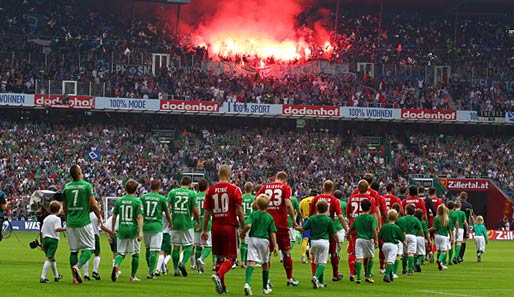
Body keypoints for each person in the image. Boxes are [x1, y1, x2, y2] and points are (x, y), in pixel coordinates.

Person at [203, 165, 245, 294]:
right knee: (231, 258)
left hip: (216, 227)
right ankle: (219, 274)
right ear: (229, 174)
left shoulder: (210, 190)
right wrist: (243, 226)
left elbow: (207, 213)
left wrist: (205, 230)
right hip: (229, 226)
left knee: (220, 258)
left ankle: (223, 287)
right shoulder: (234, 189)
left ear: (218, 174)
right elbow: (238, 210)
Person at [256, 171, 299, 287]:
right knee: (286, 252)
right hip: (281, 224)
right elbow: (288, 204)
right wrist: (293, 220)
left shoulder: (265, 187)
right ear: (285, 180)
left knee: (267, 253)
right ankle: (289, 279)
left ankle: (267, 280)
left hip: (267, 225)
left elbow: (256, 203)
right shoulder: (285, 188)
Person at [62, 164, 104, 284]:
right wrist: (99, 217)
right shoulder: (86, 186)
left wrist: (67, 219)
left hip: (71, 222)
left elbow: (64, 207)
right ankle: (78, 266)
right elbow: (94, 204)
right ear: (80, 173)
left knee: (74, 251)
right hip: (84, 222)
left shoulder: (66, 187)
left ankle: (74, 278)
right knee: (90, 248)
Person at [309, 180, 349, 282]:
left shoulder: (316, 199)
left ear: (323, 188)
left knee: (315, 254)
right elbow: (340, 216)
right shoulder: (335, 200)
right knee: (334, 253)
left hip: (317, 231)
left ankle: (315, 275)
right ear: (332, 189)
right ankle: (335, 275)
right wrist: (346, 229)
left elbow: (311, 215)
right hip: (330, 229)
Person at [240, 194, 278, 295]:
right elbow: (272, 232)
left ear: (256, 204)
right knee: (265, 264)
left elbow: (248, 225)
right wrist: (275, 245)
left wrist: (243, 233)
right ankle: (265, 288)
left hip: (253, 239)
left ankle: (247, 283)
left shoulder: (253, 214)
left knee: (251, 261)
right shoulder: (269, 217)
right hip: (264, 240)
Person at [297, 200, 338, 289]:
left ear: (316, 208)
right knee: (322, 263)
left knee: (317, 262)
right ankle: (316, 277)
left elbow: (303, 229)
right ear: (327, 209)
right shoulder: (328, 219)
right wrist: (338, 242)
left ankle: (321, 282)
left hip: (314, 242)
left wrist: (296, 227)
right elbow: (334, 233)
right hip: (324, 241)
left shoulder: (312, 218)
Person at [111, 179, 144, 282]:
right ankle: (132, 276)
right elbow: (139, 217)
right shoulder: (137, 201)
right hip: (132, 230)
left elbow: (114, 216)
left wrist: (112, 229)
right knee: (135, 254)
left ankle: (116, 265)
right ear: (136, 189)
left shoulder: (119, 200)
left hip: (122, 230)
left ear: (125, 189)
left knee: (120, 253)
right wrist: (140, 232)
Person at [168, 176, 200, 277]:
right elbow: (195, 209)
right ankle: (182, 263)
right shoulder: (192, 193)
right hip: (187, 223)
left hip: (175, 223)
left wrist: (169, 219)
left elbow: (167, 205)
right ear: (190, 184)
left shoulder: (172, 192)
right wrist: (198, 221)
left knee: (176, 247)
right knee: (190, 245)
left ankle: (176, 270)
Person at [140, 179, 172, 279]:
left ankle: (150, 269)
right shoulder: (162, 198)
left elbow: (140, 212)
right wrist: (170, 223)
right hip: (156, 226)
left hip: (145, 226)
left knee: (148, 249)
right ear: (159, 187)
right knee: (154, 251)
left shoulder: (143, 197)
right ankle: (150, 273)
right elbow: (167, 213)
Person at [346, 180, 375, 281]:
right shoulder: (370, 198)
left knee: (353, 252)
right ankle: (367, 273)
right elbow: (374, 213)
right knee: (368, 254)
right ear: (368, 188)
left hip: (355, 225)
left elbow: (348, 212)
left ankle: (352, 273)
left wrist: (351, 222)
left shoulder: (351, 198)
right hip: (367, 227)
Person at [349, 198, 378, 284]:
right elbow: (374, 229)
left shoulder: (358, 218)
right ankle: (367, 275)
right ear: (370, 207)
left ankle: (358, 277)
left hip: (359, 239)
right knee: (371, 257)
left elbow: (352, 228)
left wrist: (348, 234)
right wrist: (376, 239)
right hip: (368, 239)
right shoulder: (371, 218)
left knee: (359, 258)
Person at [39, 201, 66, 283]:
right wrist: (65, 229)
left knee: (52, 258)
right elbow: (57, 229)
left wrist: (42, 242)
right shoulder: (57, 219)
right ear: (58, 210)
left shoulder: (46, 218)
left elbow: (41, 231)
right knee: (49, 258)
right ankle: (43, 277)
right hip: (53, 240)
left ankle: (56, 276)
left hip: (45, 238)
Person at [378, 209, 404, 283]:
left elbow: (380, 235)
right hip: (393, 245)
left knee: (387, 260)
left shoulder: (384, 226)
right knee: (391, 261)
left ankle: (390, 274)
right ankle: (386, 276)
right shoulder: (396, 227)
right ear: (396, 217)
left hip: (385, 245)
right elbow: (401, 237)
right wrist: (404, 242)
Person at [397, 204, 423, 276]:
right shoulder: (415, 219)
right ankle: (410, 270)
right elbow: (421, 229)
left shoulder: (402, 219)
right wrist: (421, 235)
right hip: (412, 236)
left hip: (404, 236)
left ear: (406, 211)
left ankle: (404, 270)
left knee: (404, 254)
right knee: (411, 253)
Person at [194, 178, 213, 274]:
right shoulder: (209, 196)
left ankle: (198, 269)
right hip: (207, 224)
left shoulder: (195, 196)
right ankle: (201, 258)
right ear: (207, 187)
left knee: (198, 246)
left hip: (196, 223)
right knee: (208, 246)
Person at [430, 204, 452, 271]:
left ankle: (440, 265)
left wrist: (428, 230)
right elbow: (449, 230)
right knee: (444, 251)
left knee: (438, 250)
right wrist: (451, 237)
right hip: (444, 236)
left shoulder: (436, 218)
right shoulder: (447, 219)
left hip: (437, 235)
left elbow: (434, 228)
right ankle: (440, 261)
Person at [83, 211, 101, 281]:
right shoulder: (96, 214)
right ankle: (95, 271)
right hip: (95, 234)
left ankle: (86, 274)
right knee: (97, 254)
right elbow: (100, 224)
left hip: (85, 236)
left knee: (86, 254)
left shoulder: (84, 213)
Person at [241, 182, 255, 268]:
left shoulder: (241, 198)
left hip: (242, 222)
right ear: (252, 189)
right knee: (249, 243)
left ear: (244, 188)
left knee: (243, 242)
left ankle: (242, 261)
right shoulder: (254, 198)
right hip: (251, 222)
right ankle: (246, 261)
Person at [299, 191, 316, 264]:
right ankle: (315, 256)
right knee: (315, 238)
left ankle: (303, 256)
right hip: (315, 220)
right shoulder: (317, 199)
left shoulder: (303, 201)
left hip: (306, 220)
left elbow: (299, 211)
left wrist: (301, 220)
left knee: (305, 239)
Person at [459, 191, 474, 262]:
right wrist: (474, 225)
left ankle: (455, 256)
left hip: (457, 224)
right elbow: (471, 216)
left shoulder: (457, 204)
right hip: (465, 224)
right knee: (464, 241)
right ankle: (460, 257)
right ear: (466, 197)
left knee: (457, 241)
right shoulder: (469, 205)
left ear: (460, 196)